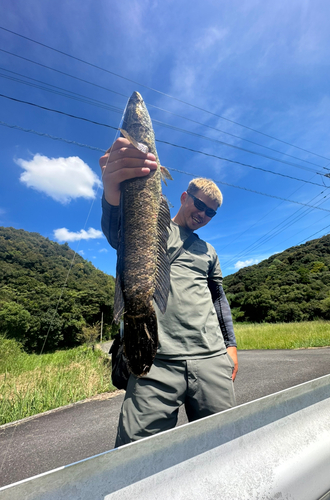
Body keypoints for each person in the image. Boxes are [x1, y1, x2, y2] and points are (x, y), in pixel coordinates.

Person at [100, 136, 238, 446]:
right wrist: (111, 191)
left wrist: (230, 345)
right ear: (184, 196)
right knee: (136, 455)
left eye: (210, 212)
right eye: (199, 204)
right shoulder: (153, 226)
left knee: (225, 445)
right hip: (156, 360)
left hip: (211, 357)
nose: (202, 213)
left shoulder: (209, 251)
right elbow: (119, 231)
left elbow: (218, 300)